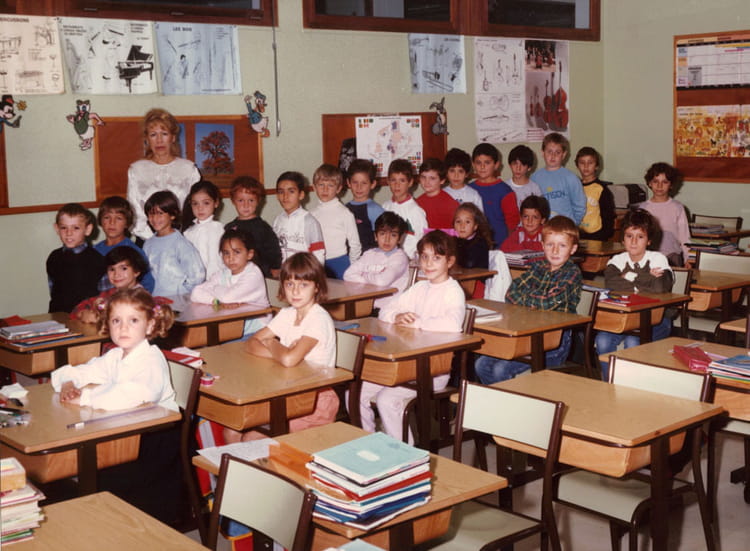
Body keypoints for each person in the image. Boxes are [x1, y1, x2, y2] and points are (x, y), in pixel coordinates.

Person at [357, 231, 466, 444]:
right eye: (424, 257)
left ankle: (405, 454)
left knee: (387, 399)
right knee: (357, 391)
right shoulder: (419, 287)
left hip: (433, 369)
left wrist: (418, 322)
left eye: (436, 258)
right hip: (407, 364)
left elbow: (453, 324)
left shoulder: (453, 291)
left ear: (450, 261)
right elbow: (386, 311)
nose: (428, 263)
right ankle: (368, 443)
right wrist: (396, 316)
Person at [225, 253, 338, 443]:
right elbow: (252, 343)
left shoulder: (318, 319)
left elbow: (289, 359)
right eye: (289, 284)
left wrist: (273, 344)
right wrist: (281, 352)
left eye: (304, 285)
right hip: (286, 391)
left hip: (315, 399)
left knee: (251, 438)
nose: (295, 291)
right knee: (231, 430)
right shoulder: (287, 314)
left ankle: (268, 464)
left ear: (317, 286)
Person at [475, 216, 582, 384]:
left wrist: (527, 297)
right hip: (528, 335)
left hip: (554, 344)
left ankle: (513, 399)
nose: (555, 251)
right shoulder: (538, 267)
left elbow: (548, 302)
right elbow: (511, 292)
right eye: (550, 245)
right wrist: (535, 299)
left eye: (562, 246)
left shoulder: (572, 273)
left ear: (573, 249)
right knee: (481, 365)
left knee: (500, 370)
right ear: (542, 246)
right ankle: (502, 398)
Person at [51, 287, 177, 411]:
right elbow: (85, 371)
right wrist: (68, 383)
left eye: (133, 320)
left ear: (149, 326)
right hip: (126, 418)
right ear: (108, 324)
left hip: (156, 422)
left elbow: (133, 396)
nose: (123, 327)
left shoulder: (151, 361)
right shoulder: (115, 356)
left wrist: (86, 398)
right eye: (116, 321)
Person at [595, 209, 674, 380]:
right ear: (622, 238)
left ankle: (631, 384)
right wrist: (647, 278)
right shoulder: (617, 260)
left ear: (649, 240)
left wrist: (628, 276)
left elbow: (659, 287)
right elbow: (612, 284)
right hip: (623, 319)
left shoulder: (658, 259)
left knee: (633, 342)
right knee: (602, 340)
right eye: (629, 236)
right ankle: (609, 383)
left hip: (655, 319)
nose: (633, 241)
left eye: (640, 237)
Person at [127, 108, 200, 241]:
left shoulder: (189, 169)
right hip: (146, 240)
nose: (159, 140)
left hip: (183, 239)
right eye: (153, 135)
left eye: (164, 134)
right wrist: (154, 238)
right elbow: (133, 211)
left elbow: (196, 208)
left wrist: (175, 237)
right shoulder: (136, 170)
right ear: (147, 139)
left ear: (173, 137)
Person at [190, 229, 271, 337]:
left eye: (237, 252)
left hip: (257, 329)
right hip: (231, 324)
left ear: (249, 254)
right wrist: (216, 301)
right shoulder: (223, 273)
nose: (231, 258)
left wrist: (215, 289)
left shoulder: (253, 274)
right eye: (226, 253)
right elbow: (195, 293)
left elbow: (228, 297)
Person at [343, 212, 410, 312]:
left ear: (399, 239)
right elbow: (348, 275)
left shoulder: (400, 257)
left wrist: (364, 275)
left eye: (393, 235)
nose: (387, 240)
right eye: (382, 234)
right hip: (368, 306)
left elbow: (382, 282)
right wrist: (371, 280)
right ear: (375, 236)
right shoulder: (369, 254)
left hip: (390, 309)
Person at [142, 190, 205, 296]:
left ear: (172, 215)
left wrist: (182, 293)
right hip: (154, 300)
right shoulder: (148, 244)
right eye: (151, 214)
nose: (155, 218)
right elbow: (144, 274)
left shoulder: (181, 244)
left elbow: (197, 275)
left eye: (160, 213)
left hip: (177, 301)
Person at [47, 203, 106, 313]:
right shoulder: (54, 258)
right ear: (57, 228)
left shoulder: (98, 260)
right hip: (58, 316)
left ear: (88, 229)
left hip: (87, 317)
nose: (69, 233)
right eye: (64, 228)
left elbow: (105, 298)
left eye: (76, 228)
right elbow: (53, 291)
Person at [71, 246, 149, 324]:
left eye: (123, 268)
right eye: (112, 269)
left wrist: (99, 318)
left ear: (136, 271)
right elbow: (77, 308)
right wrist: (82, 313)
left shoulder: (142, 298)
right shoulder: (108, 294)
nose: (116, 274)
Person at [224, 175, 282, 278]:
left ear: (258, 201)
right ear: (233, 201)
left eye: (251, 200)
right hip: (235, 275)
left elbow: (274, 251)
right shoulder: (229, 228)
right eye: (241, 200)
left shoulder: (263, 228)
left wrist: (275, 268)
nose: (246, 205)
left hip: (260, 275)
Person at [310, 163, 362, 279]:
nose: (325, 189)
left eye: (330, 185)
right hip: (317, 263)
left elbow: (355, 244)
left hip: (340, 263)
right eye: (321, 185)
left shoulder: (345, 213)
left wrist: (352, 268)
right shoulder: (311, 214)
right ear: (314, 187)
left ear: (338, 189)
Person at [94, 196, 155, 293]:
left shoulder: (133, 251)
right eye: (107, 217)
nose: (112, 222)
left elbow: (148, 283)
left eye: (118, 218)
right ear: (101, 221)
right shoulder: (94, 250)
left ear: (127, 223)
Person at [639, 162, 690, 266]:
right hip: (649, 256)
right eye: (655, 181)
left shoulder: (677, 208)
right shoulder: (643, 208)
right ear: (649, 183)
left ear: (671, 185)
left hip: (672, 256)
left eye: (665, 182)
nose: (659, 186)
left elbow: (685, 236)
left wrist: (688, 258)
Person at [469, 143, 519, 246]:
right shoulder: (468, 189)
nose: (482, 166)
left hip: (500, 245)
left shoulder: (505, 191)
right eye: (478, 162)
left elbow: (512, 224)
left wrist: (509, 246)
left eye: (487, 162)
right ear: (473, 164)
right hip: (474, 245)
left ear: (496, 165)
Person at [532, 132, 587, 226]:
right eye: (549, 151)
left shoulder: (571, 178)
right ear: (542, 152)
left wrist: (573, 224)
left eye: (557, 152)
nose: (553, 156)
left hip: (565, 228)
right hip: (543, 228)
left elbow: (580, 205)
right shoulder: (535, 178)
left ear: (564, 154)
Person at [272, 171, 325, 266]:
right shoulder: (277, 220)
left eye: (291, 191)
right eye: (281, 192)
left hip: (303, 271)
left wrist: (315, 273)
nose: (285, 196)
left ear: (301, 195)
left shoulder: (309, 221)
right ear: (277, 196)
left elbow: (318, 254)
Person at [382, 159, 428, 260]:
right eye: (393, 180)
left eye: (402, 180)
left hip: (409, 260)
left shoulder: (416, 211)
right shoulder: (385, 207)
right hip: (387, 259)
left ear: (410, 182)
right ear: (388, 181)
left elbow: (423, 240)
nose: (397, 185)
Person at [183, 180, 224, 279]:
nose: (200, 208)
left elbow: (215, 262)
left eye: (206, 203)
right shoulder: (188, 232)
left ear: (216, 203)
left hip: (214, 281)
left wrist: (211, 283)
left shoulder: (218, 229)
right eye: (195, 204)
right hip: (193, 280)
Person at [575, 146, 615, 241]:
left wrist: (602, 236)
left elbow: (608, 217)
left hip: (597, 237)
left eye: (590, 163)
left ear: (596, 166)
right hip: (578, 236)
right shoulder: (574, 187)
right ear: (577, 165)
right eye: (582, 163)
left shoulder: (601, 189)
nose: (586, 166)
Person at [454, 202, 492, 299]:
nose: (462, 226)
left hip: (476, 283)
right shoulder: (454, 241)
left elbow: (469, 264)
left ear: (475, 226)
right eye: (458, 221)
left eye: (467, 222)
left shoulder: (480, 243)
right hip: (459, 281)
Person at [345, 159, 384, 252]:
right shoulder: (344, 209)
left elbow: (383, 239)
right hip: (349, 257)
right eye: (355, 182)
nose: (359, 187)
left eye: (364, 183)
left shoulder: (375, 210)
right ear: (348, 183)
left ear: (373, 184)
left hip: (370, 257)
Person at [416, 158, 459, 231]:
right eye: (423, 177)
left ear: (442, 180)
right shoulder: (417, 202)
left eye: (432, 178)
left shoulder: (451, 204)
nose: (426, 182)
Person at [443, 148, 484, 212]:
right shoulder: (442, 194)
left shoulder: (473, 195)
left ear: (466, 174)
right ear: (446, 173)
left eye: (460, 171)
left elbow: (480, 217)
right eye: (452, 171)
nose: (456, 175)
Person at [506, 144, 542, 209]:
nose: (518, 168)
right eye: (515, 164)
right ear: (510, 165)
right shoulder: (504, 187)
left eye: (522, 164)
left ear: (529, 167)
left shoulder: (534, 188)